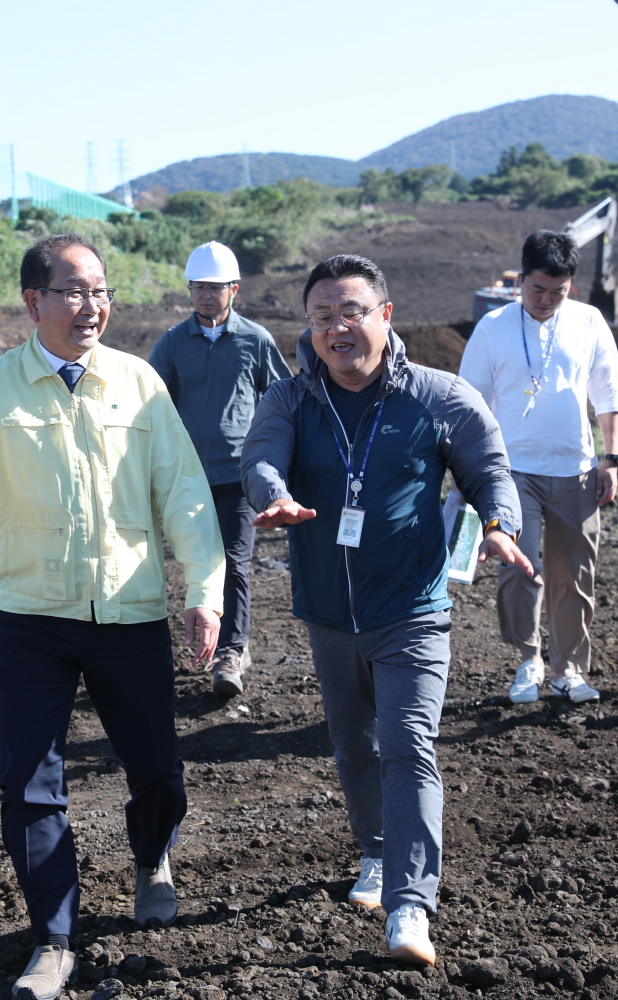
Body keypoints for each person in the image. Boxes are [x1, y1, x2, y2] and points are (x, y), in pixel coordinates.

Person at [0, 233, 225, 1000]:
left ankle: (151, 854)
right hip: (32, 616)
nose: (91, 305)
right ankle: (54, 940)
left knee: (157, 769)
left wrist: (204, 589)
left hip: (128, 610)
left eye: (100, 290)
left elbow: (186, 493)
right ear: (34, 301)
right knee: (29, 784)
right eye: (72, 291)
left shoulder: (138, 384)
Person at [242, 254, 528, 966]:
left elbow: (489, 466)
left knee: (408, 746)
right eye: (321, 317)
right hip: (329, 613)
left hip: (411, 609)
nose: (336, 328)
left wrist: (499, 524)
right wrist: (271, 494)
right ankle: (374, 854)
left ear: (385, 315)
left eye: (350, 312)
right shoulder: (290, 399)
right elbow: (260, 456)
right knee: (353, 745)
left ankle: (409, 906)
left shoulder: (439, 395)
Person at [459, 230, 618, 706]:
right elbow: (471, 404)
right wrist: (467, 473)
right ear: (521, 281)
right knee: (518, 568)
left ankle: (569, 669)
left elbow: (608, 394)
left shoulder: (589, 321)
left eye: (559, 291)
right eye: (538, 290)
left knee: (574, 572)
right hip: (511, 472)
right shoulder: (493, 327)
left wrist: (609, 459)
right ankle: (527, 659)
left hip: (575, 468)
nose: (548, 300)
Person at [149, 241, 291, 698]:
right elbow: (151, 405)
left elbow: (282, 400)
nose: (206, 296)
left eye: (215, 288)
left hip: (239, 476)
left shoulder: (256, 339)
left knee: (235, 563)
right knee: (197, 565)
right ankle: (200, 642)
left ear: (234, 289)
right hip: (188, 478)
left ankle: (231, 652)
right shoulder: (172, 343)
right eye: (198, 288)